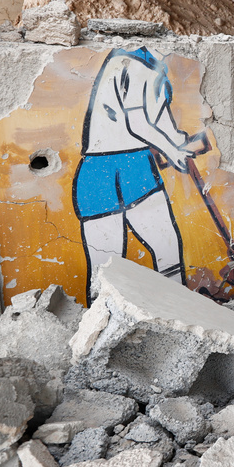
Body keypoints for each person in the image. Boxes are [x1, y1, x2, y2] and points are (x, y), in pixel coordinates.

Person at [72, 47, 191, 298]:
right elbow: (137, 123)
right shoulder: (132, 64)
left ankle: (178, 313)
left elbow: (159, 118)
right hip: (117, 168)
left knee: (114, 266)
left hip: (115, 167)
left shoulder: (153, 70)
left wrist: (178, 143)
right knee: (120, 262)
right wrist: (172, 150)